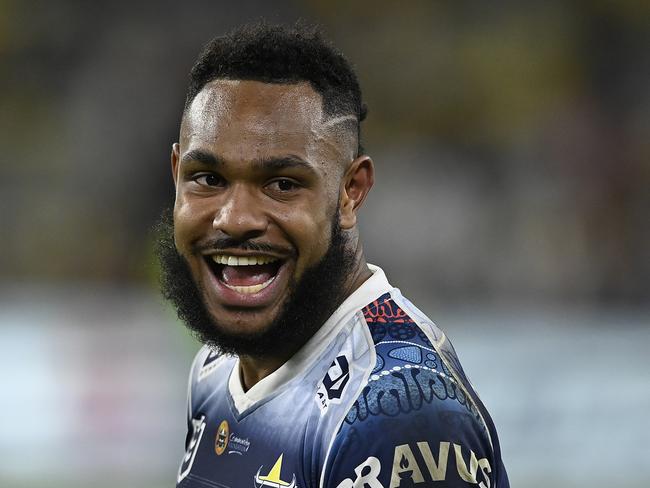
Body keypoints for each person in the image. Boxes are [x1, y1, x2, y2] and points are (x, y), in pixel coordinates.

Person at [158, 21, 509, 488]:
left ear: (350, 191)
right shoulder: (216, 367)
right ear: (177, 172)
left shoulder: (398, 416)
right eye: (208, 179)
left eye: (282, 184)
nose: (235, 218)